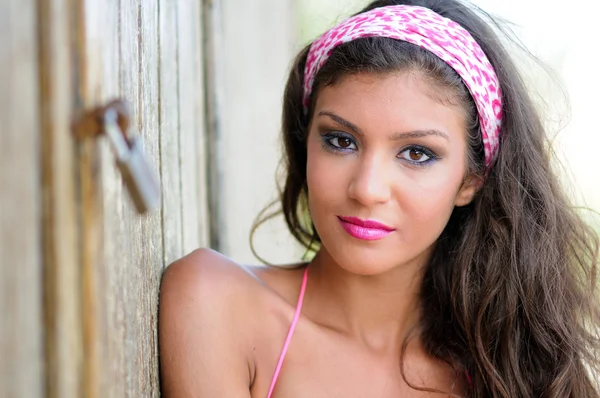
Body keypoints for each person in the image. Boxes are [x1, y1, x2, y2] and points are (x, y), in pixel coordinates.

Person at [158, 0, 600, 396]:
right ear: (305, 139)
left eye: (416, 153)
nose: (367, 189)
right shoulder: (216, 302)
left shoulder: (512, 374)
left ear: (471, 180)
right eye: (341, 141)